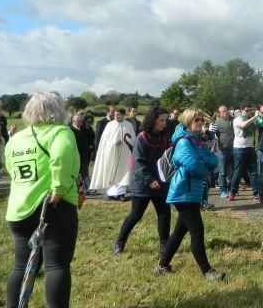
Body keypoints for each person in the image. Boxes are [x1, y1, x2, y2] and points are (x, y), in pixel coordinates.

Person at [4, 92, 84, 308]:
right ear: (58, 111)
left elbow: (10, 167)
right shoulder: (61, 133)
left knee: (21, 266)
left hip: (18, 209)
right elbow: (61, 158)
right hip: (52, 207)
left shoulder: (16, 138)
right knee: (57, 265)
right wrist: (59, 189)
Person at [156, 108, 224, 280]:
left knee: (179, 231)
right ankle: (207, 272)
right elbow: (193, 165)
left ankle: (162, 266)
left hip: (191, 191)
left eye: (202, 119)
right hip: (183, 191)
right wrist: (204, 168)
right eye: (196, 120)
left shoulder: (197, 140)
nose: (200, 122)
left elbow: (213, 159)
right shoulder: (184, 142)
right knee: (197, 230)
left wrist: (203, 162)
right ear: (187, 122)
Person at [113, 107, 171, 258]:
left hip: (161, 183)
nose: (164, 123)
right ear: (153, 120)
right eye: (161, 120)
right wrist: (150, 179)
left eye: (166, 120)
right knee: (136, 215)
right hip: (143, 183)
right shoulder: (142, 137)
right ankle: (119, 242)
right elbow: (138, 162)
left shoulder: (164, 138)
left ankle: (164, 246)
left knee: (164, 213)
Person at [89, 108, 136, 200]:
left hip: (124, 154)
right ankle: (111, 194)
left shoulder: (128, 125)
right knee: (110, 171)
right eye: (115, 114)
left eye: (118, 114)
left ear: (123, 115)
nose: (116, 116)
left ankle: (121, 194)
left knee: (123, 172)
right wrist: (114, 142)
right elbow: (104, 141)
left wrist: (125, 141)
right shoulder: (110, 125)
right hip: (111, 153)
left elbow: (133, 139)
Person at [228, 105, 260, 201]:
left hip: (250, 147)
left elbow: (260, 125)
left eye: (250, 110)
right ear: (242, 110)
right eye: (246, 110)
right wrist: (255, 116)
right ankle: (232, 192)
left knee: (253, 172)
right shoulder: (237, 119)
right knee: (238, 171)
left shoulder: (251, 119)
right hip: (239, 148)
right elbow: (243, 125)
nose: (248, 112)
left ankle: (256, 193)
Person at [213, 105, 234, 198]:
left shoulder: (234, 120)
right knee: (222, 172)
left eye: (227, 110)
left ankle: (231, 190)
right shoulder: (216, 123)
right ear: (220, 113)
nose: (226, 112)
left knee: (232, 172)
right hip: (222, 150)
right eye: (224, 111)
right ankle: (223, 190)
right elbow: (211, 133)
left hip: (233, 149)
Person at [70, 113, 94, 193]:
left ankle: (87, 189)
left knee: (85, 172)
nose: (80, 122)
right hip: (74, 155)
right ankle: (76, 189)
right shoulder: (70, 130)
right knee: (75, 173)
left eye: (81, 121)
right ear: (73, 120)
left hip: (84, 155)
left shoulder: (84, 130)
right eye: (78, 121)